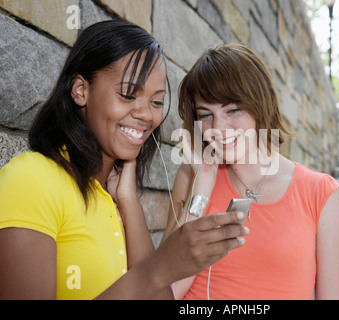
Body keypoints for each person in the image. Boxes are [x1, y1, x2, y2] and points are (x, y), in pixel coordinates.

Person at [0, 20, 248, 300]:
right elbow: (150, 279)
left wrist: (130, 204)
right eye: (128, 94)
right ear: (81, 90)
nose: (145, 114)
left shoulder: (119, 197)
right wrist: (158, 269)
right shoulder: (31, 179)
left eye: (156, 102)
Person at [163, 44, 339, 300]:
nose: (218, 127)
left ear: (259, 104)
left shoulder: (322, 195)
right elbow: (163, 289)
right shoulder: (192, 176)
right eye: (206, 114)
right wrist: (203, 185)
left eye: (232, 109)